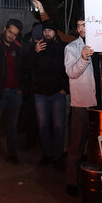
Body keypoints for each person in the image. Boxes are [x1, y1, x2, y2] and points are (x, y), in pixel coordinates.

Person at [25, 20, 69, 168]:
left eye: (50, 30)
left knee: (58, 126)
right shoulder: (38, 47)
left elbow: (67, 69)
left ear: (55, 32)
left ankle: (58, 157)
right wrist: (34, 52)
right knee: (43, 126)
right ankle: (47, 154)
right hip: (40, 94)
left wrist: (66, 89)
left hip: (57, 93)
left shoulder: (63, 48)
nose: (47, 33)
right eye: (45, 30)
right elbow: (27, 66)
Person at [0, 19, 26, 166]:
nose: (11, 36)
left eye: (15, 34)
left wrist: (22, 88)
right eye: (9, 32)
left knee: (12, 126)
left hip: (15, 93)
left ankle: (12, 154)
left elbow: (25, 69)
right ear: (4, 28)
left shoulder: (19, 47)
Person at [64, 17, 96, 195]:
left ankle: (94, 183)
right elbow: (71, 73)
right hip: (80, 105)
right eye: (78, 25)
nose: (81, 29)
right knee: (75, 146)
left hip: (101, 105)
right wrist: (83, 58)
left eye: (84, 25)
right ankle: (71, 182)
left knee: (96, 148)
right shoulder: (71, 48)